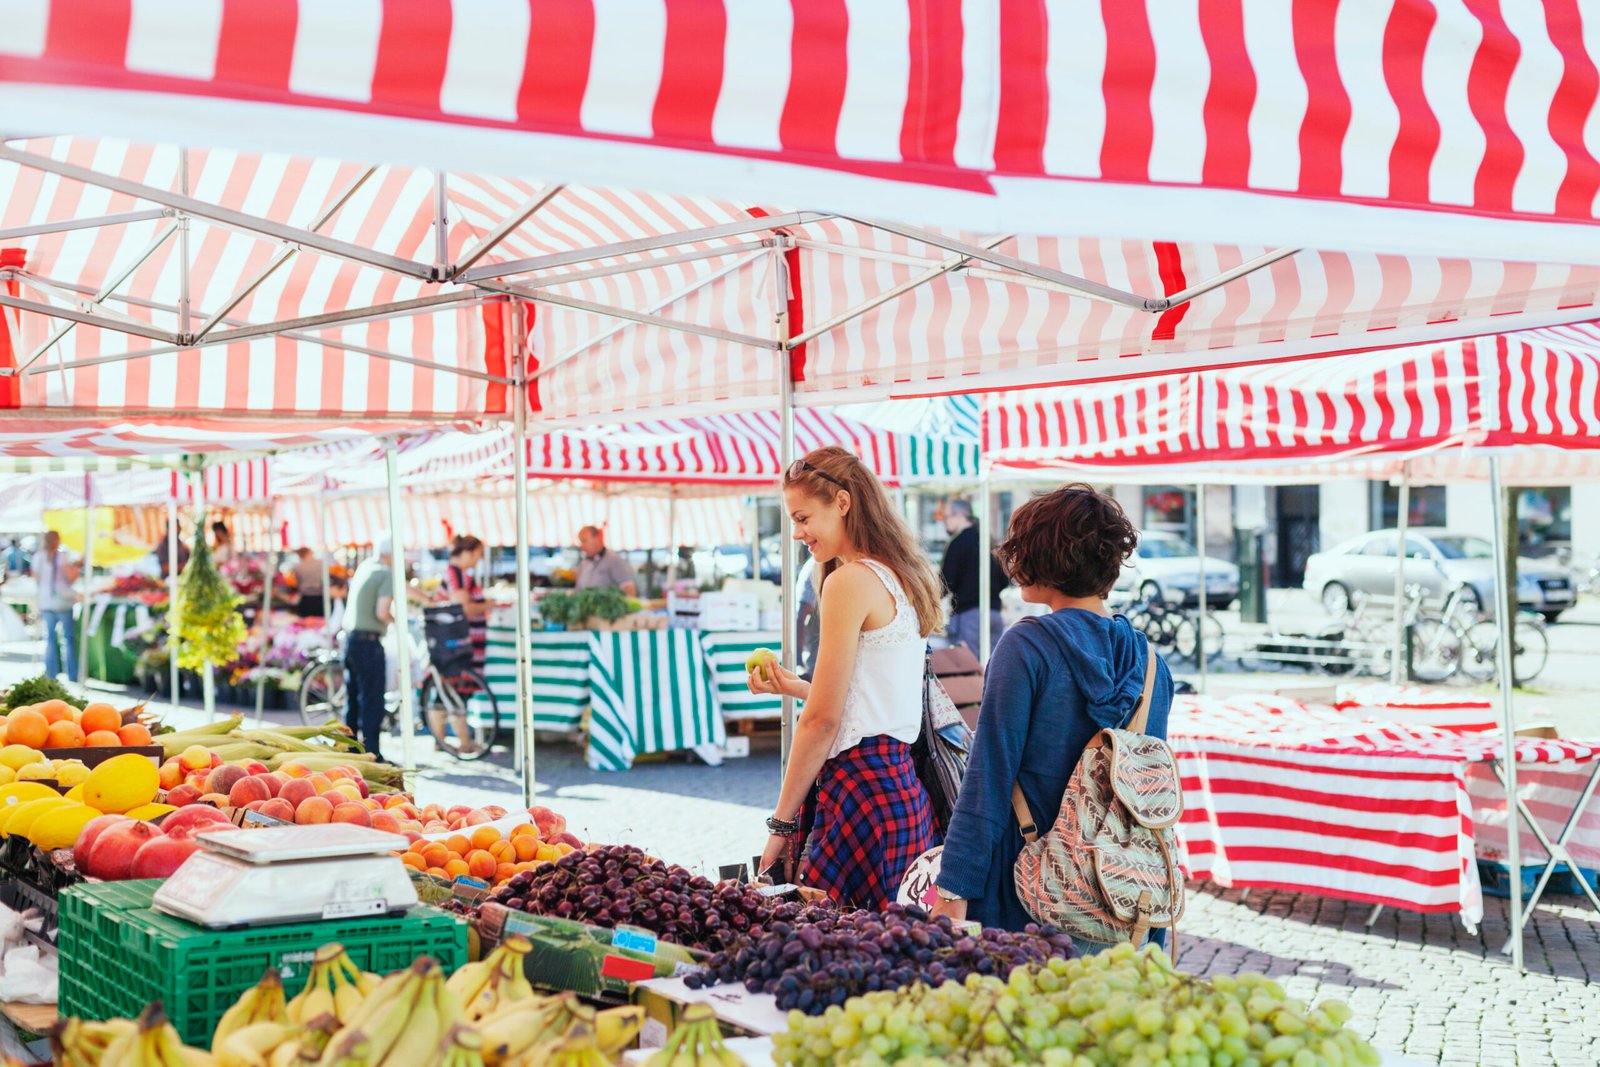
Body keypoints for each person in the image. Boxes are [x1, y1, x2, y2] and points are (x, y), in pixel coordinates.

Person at [930, 484, 1175, 953]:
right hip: (1122, 897)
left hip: (1026, 893)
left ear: (1046, 558)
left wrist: (953, 890)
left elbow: (988, 776)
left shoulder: (1027, 647)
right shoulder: (1150, 664)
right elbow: (1142, 791)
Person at [748, 446, 945, 909]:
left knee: (821, 953)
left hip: (859, 797)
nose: (797, 533)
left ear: (841, 502)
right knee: (895, 959)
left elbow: (823, 722)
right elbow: (873, 694)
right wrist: (795, 686)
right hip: (901, 795)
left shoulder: (848, 581)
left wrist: (780, 826)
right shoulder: (902, 573)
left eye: (802, 518)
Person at [341, 535, 395, 760]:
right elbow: (382, 612)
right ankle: (372, 753)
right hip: (369, 643)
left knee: (352, 699)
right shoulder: (385, 573)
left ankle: (350, 748)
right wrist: (397, 621)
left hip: (350, 640)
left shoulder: (365, 568)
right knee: (372, 700)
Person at [941, 498, 1009, 655]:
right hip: (994, 614)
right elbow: (1004, 579)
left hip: (969, 616)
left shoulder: (957, 543)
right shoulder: (989, 540)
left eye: (946, 517)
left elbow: (946, 582)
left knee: (969, 669)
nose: (945, 522)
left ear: (958, 516)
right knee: (991, 669)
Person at [33, 531, 80, 681]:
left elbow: (37, 580)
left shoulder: (37, 558)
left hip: (46, 602)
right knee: (68, 638)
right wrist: (78, 567)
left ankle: (51, 674)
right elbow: (70, 578)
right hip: (62, 602)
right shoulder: (61, 557)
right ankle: (72, 674)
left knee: (50, 639)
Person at [575, 526, 638, 596]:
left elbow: (629, 590)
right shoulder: (583, 564)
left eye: (584, 541)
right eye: (581, 542)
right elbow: (578, 591)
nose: (581, 546)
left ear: (597, 539)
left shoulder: (614, 560)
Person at [291, 548, 325, 618]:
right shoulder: (321, 564)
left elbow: (298, 582)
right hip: (319, 598)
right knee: (320, 623)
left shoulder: (298, 567)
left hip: (305, 599)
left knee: (305, 623)